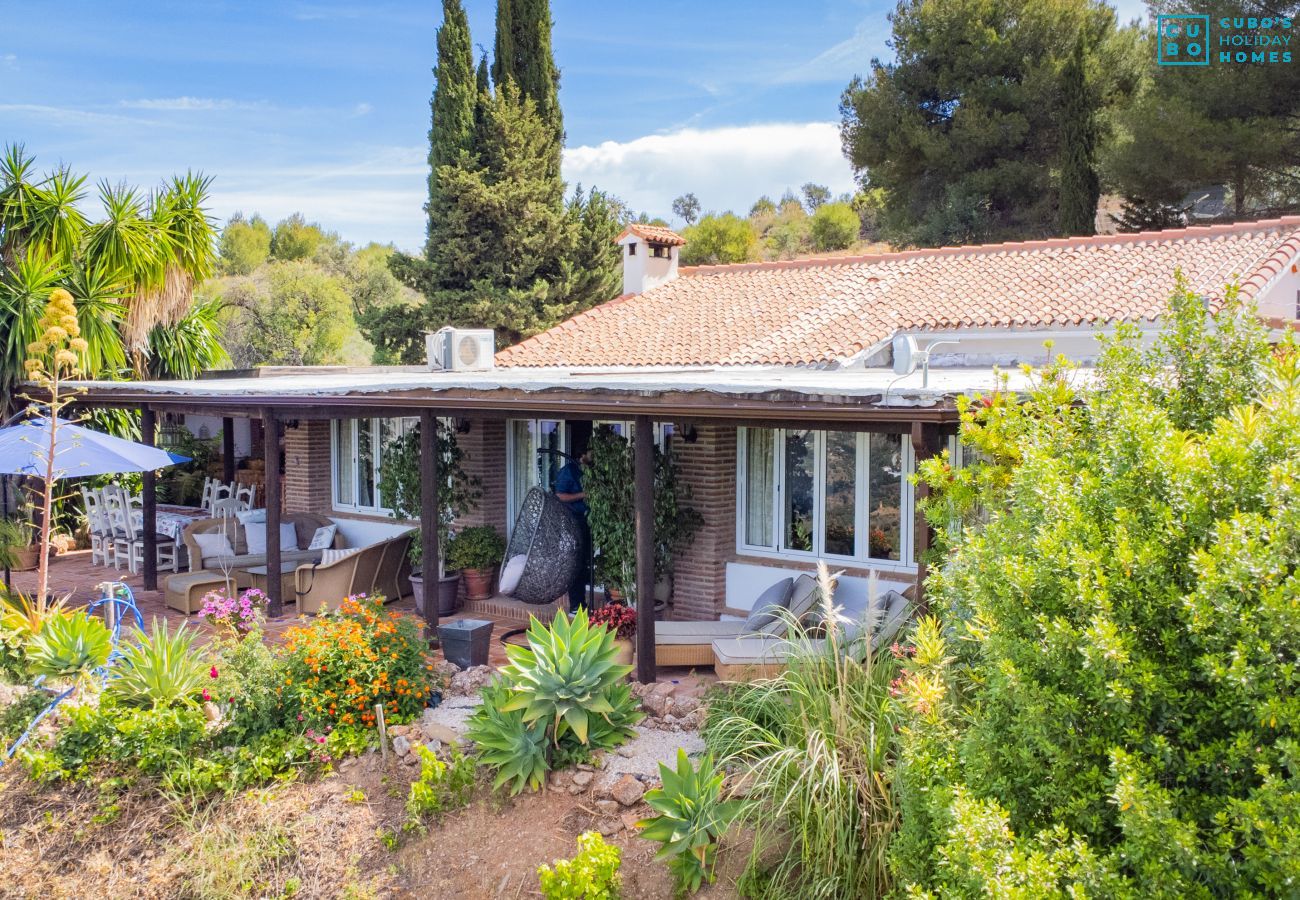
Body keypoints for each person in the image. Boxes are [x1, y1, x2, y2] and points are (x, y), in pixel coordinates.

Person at [554, 448, 592, 611]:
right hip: (574, 521)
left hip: (590, 519)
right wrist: (583, 495)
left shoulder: (592, 470)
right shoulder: (569, 471)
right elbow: (559, 496)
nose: (594, 457)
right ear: (582, 454)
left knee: (587, 561)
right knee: (576, 562)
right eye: (591, 453)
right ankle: (576, 604)